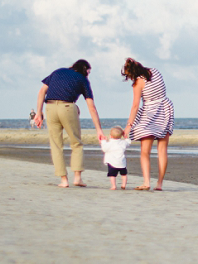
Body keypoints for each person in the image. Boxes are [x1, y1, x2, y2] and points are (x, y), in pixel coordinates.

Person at [34, 59, 105, 187]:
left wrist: (39, 113)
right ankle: (77, 178)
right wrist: (98, 129)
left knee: (56, 145)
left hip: (50, 107)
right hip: (67, 107)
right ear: (85, 70)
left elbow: (42, 91)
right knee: (76, 143)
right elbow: (91, 107)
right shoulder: (83, 79)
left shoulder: (58, 71)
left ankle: (63, 180)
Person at [122, 57, 174, 191]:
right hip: (165, 108)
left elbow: (135, 106)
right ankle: (160, 184)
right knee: (162, 150)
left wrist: (129, 125)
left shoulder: (138, 83)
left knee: (145, 152)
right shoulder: (155, 71)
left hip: (150, 114)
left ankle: (146, 182)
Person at [100, 125, 131, 190]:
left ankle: (113, 186)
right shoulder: (123, 143)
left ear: (110, 136)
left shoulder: (109, 144)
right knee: (124, 174)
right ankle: (123, 185)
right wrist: (126, 138)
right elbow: (128, 143)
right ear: (121, 136)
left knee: (112, 175)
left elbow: (104, 149)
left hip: (112, 162)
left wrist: (103, 141)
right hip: (121, 163)